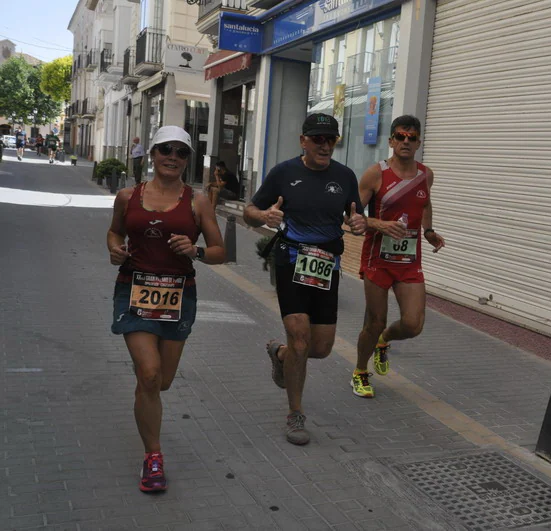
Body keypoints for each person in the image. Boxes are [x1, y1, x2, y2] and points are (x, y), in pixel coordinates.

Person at [107, 125, 225, 492]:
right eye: (165, 150)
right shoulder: (128, 196)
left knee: (163, 382)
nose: (172, 157)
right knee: (150, 374)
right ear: (153, 154)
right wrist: (114, 249)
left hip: (178, 295)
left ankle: (146, 394)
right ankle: (153, 457)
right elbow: (114, 233)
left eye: (181, 152)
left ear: (188, 159)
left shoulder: (198, 201)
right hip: (134, 290)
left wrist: (197, 251)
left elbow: (221, 251)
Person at [243, 113, 366, 445]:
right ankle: (295, 414)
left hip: (327, 265)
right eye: (318, 139)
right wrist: (264, 215)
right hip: (291, 260)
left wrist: (359, 224)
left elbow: (356, 216)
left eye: (331, 139)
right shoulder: (284, 173)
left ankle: (281, 355)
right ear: (304, 141)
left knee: (321, 348)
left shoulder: (344, 176)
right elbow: (248, 210)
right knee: (300, 338)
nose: (325, 145)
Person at [351, 115, 446, 398]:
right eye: (400, 136)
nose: (406, 141)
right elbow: (351, 215)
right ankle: (359, 372)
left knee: (413, 324)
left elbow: (425, 202)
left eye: (412, 137)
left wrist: (428, 230)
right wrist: (379, 224)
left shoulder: (425, 174)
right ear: (391, 140)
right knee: (374, 320)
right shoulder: (375, 174)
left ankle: (384, 341)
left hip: (409, 263)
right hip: (377, 260)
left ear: (418, 143)